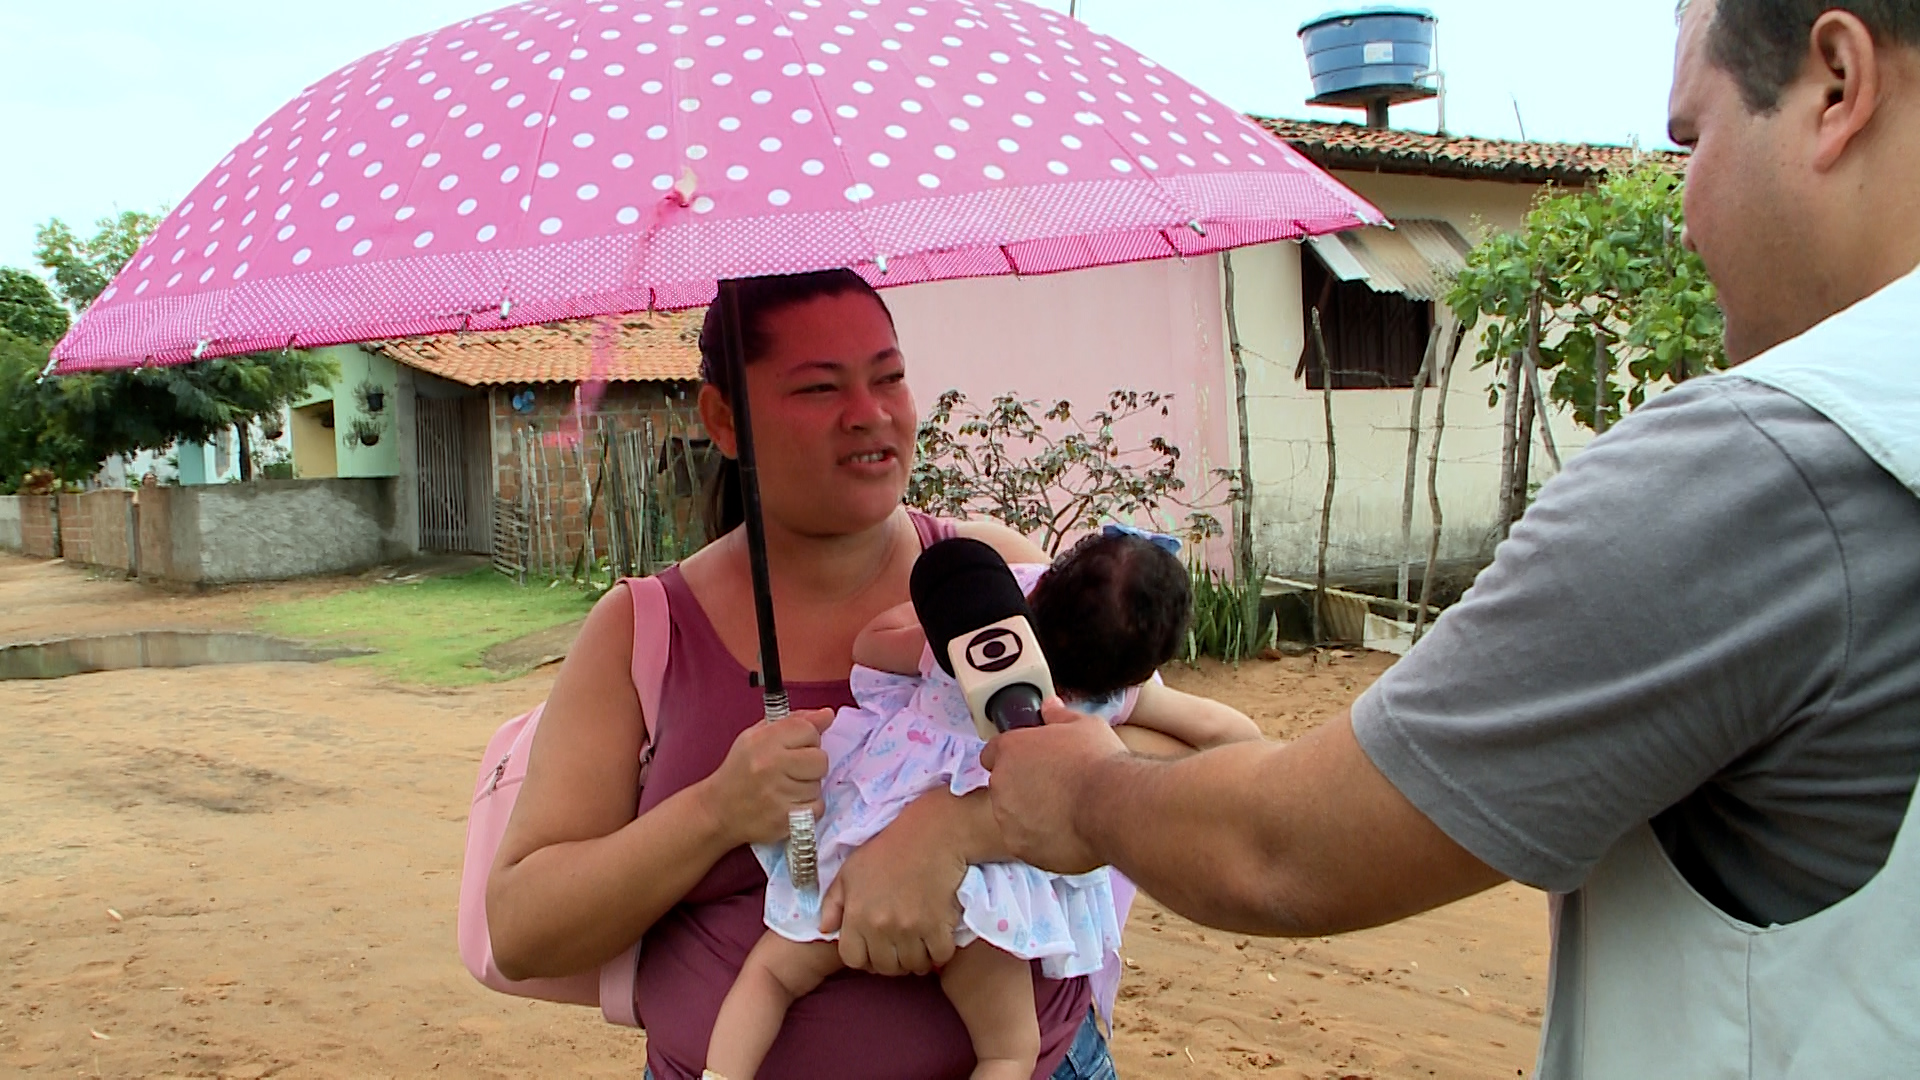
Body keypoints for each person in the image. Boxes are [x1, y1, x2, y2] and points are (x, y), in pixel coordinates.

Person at [981, 1, 1920, 1075]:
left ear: (1838, 83)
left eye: (1691, 141)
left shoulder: (1761, 473)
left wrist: (1089, 790)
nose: (1684, 207)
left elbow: (1285, 848)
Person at [485, 269, 1240, 1079]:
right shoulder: (644, 631)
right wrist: (717, 811)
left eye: (889, 376)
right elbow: (526, 931)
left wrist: (958, 828)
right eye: (820, 389)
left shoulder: (990, 578)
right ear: (724, 419)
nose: (870, 415)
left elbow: (1190, 763)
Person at [706, 532, 1261, 1080]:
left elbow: (871, 646)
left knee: (771, 977)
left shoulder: (962, 646)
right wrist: (1123, 713)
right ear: (1139, 671)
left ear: (1036, 592)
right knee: (1009, 1051)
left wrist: (946, 623)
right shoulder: (1103, 706)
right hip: (984, 897)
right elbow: (1233, 734)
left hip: (863, 839)